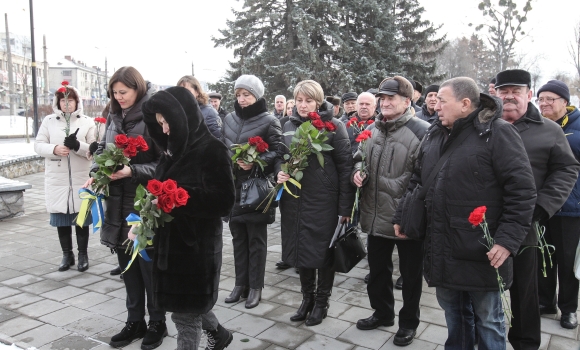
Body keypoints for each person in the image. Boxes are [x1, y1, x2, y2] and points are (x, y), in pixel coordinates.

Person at [394, 76, 537, 349]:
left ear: (465, 104)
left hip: (481, 250)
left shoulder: (498, 133)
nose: (434, 106)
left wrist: (507, 240)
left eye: (442, 101)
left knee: (488, 319)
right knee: (453, 313)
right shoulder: (434, 133)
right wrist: (402, 215)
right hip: (442, 245)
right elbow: (417, 180)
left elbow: (522, 191)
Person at [141, 86, 236, 350]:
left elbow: (224, 200)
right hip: (169, 247)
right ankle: (219, 335)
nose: (165, 130)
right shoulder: (171, 152)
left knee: (184, 316)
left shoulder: (212, 149)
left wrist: (180, 198)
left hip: (195, 250)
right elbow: (158, 191)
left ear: (184, 118)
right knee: (188, 305)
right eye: (159, 124)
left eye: (167, 122)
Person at [495, 69, 580, 348]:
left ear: (528, 95)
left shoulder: (549, 130)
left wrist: (542, 207)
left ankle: (525, 342)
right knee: (483, 287)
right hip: (485, 222)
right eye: (503, 91)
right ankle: (482, 336)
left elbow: (567, 169)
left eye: (515, 92)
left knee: (524, 290)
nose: (509, 97)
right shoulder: (485, 125)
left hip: (527, 223)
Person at [84, 66, 165, 349]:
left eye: (123, 92)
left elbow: (164, 165)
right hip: (117, 203)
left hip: (144, 204)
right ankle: (134, 321)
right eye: (114, 93)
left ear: (138, 88)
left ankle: (157, 322)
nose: (118, 97)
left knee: (147, 266)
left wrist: (133, 172)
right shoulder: (114, 115)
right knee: (126, 267)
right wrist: (97, 171)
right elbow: (103, 151)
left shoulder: (154, 116)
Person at [353, 77, 430, 347]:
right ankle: (382, 313)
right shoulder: (373, 128)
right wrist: (357, 172)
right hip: (375, 213)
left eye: (390, 99)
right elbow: (359, 156)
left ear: (408, 102)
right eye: (382, 99)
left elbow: (424, 177)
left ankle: (408, 323)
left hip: (406, 218)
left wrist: (408, 213)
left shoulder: (422, 131)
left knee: (410, 276)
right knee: (377, 271)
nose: (384, 103)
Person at [277, 80, 355, 326]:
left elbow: (345, 169)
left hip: (324, 202)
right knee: (301, 250)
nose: (302, 105)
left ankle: (322, 302)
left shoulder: (334, 127)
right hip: (294, 200)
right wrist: (278, 173)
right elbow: (279, 158)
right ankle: (306, 299)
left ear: (318, 102)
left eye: (308, 100)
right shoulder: (286, 125)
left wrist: (345, 209)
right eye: (299, 100)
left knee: (324, 253)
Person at [221, 75, 283, 309]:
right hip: (233, 188)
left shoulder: (269, 121)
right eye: (238, 94)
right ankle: (240, 284)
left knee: (256, 241)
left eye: (246, 94)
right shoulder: (229, 119)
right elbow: (221, 147)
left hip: (256, 190)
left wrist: (255, 161)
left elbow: (277, 153)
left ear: (257, 95)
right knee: (238, 238)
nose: (242, 99)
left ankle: (255, 287)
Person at [34, 84, 96, 272]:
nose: (66, 104)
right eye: (63, 100)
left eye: (70, 100)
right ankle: (66, 254)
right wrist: (54, 149)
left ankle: (83, 255)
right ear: (57, 102)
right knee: (61, 218)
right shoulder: (49, 121)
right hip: (57, 178)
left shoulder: (87, 122)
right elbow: (38, 145)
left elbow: (95, 149)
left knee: (81, 218)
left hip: (81, 177)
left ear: (76, 101)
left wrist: (78, 146)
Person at [535, 80, 580, 329]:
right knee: (544, 255)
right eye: (541, 99)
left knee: (566, 259)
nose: (545, 103)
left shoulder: (577, 126)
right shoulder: (539, 126)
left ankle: (569, 308)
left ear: (565, 102)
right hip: (543, 205)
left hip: (571, 207)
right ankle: (545, 301)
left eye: (551, 99)